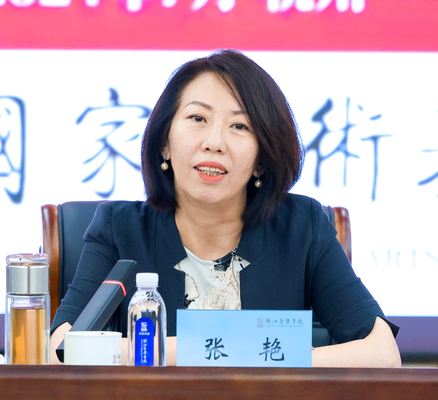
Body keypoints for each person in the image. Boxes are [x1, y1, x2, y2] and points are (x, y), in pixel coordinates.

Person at [50, 49, 401, 367]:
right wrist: (256, 353)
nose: (214, 142)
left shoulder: (302, 227)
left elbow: (383, 354)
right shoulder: (119, 228)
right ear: (164, 144)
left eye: (239, 126)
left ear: (261, 159)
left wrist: (161, 352)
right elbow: (59, 350)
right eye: (197, 118)